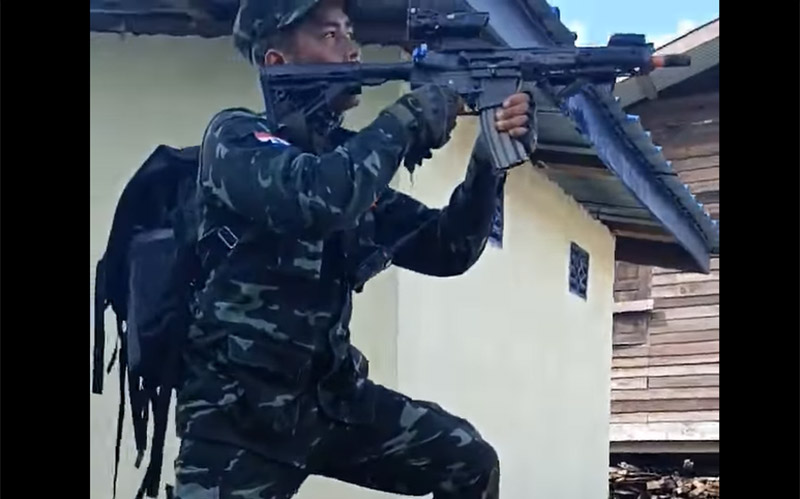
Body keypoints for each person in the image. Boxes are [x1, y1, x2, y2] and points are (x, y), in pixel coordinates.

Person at [174, 1, 535, 498]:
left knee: (469, 462)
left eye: (349, 33)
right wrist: (406, 118)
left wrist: (488, 163)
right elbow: (321, 198)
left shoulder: (350, 161)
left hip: (329, 404)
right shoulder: (236, 137)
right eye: (329, 35)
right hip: (238, 416)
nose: (352, 49)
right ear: (278, 63)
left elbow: (447, 250)